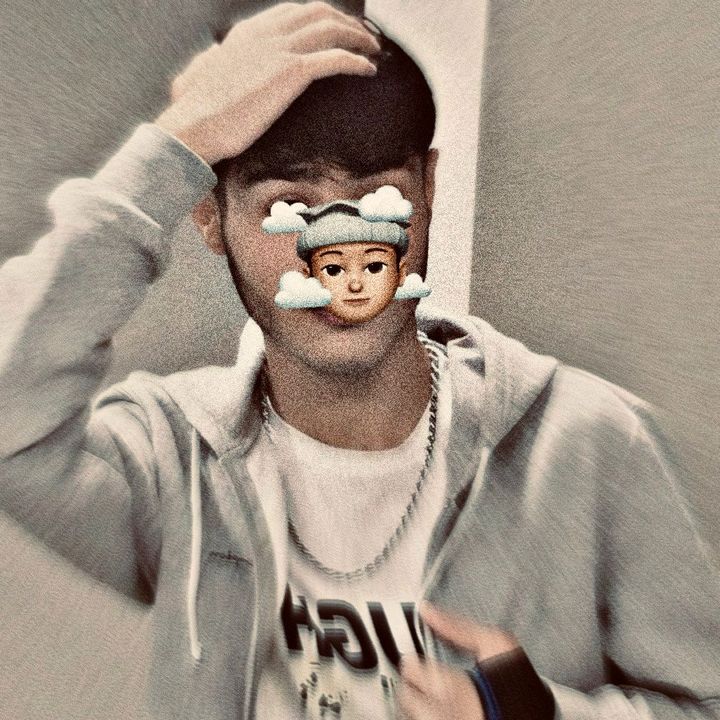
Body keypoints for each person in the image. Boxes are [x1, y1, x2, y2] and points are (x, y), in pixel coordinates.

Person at [0, 3, 718, 720]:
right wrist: (173, 147)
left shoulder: (588, 443)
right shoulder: (173, 459)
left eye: (380, 198)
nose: (340, 256)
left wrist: (539, 716)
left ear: (429, 189)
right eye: (289, 205)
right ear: (209, 216)